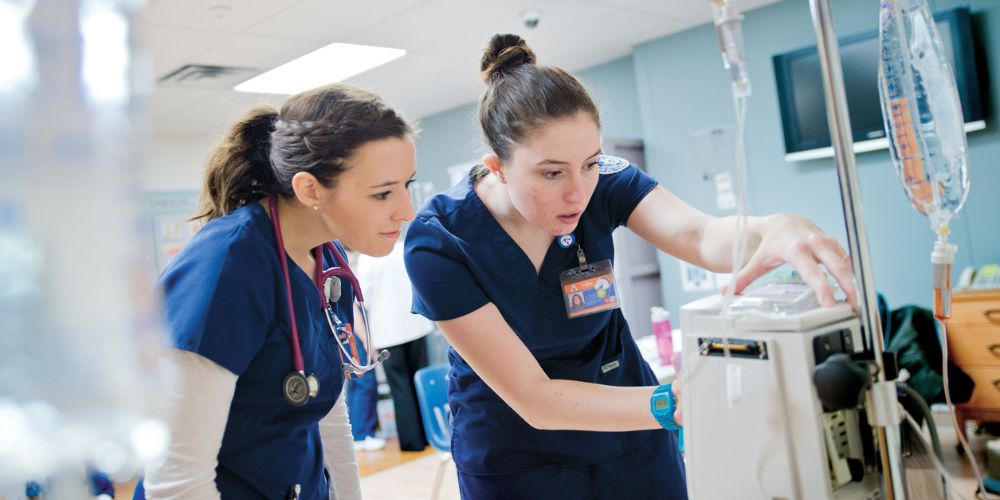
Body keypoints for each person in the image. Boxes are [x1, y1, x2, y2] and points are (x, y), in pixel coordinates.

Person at [403, 34, 856, 499]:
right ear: (497, 167)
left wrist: (773, 228)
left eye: (590, 163)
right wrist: (669, 403)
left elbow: (699, 235)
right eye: (552, 173)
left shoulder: (607, 183)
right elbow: (534, 398)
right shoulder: (439, 240)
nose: (578, 191)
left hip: (629, 430)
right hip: (517, 452)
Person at [144, 83, 416, 499]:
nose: (405, 210)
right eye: (382, 193)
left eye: (406, 185)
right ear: (309, 190)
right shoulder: (229, 266)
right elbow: (177, 482)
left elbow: (326, 415)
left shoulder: (324, 255)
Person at [356, 238, 435, 452]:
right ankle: (431, 436)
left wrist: (366, 339)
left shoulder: (367, 259)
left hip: (387, 333)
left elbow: (360, 302)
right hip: (417, 324)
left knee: (400, 388)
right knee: (420, 383)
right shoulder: (405, 248)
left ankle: (412, 442)